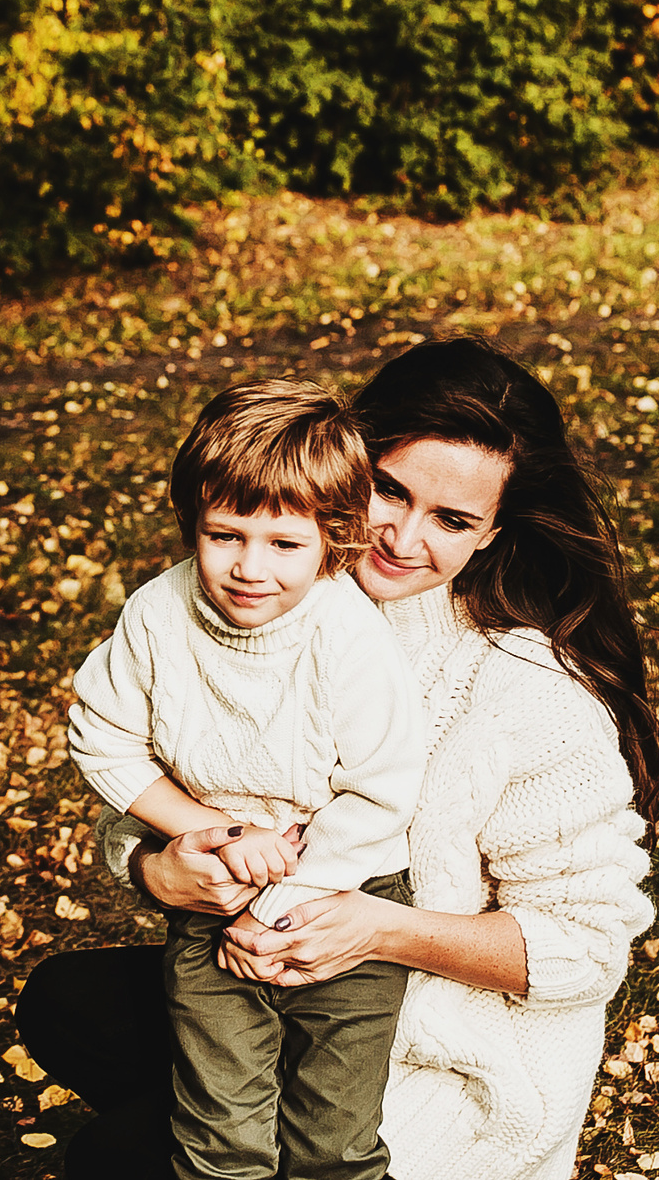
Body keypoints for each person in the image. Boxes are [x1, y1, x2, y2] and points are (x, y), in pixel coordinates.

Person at [21, 338, 659, 1180]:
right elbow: (162, 773)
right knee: (67, 1003)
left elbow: (584, 948)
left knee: (116, 1162)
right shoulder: (263, 596)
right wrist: (159, 868)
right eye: (389, 490)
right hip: (271, 975)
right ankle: (239, 1118)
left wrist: (376, 929)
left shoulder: (528, 690)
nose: (401, 536)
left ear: (490, 534)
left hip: (441, 1049)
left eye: (453, 520)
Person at [66, 378, 425, 1180]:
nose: (248, 568)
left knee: (334, 1144)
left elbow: (381, 791)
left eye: (284, 544)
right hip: (214, 906)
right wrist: (207, 830)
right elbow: (102, 736)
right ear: (192, 520)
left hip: (344, 903)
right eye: (224, 535)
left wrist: (282, 901)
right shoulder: (157, 614)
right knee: (220, 1137)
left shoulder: (347, 636)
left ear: (335, 538)